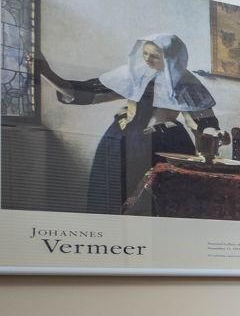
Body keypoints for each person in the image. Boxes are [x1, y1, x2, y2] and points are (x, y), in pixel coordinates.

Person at [36, 35, 219, 214]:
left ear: (171, 58)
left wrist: (214, 133)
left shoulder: (186, 83)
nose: (148, 60)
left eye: (155, 56)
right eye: (145, 54)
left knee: (158, 203)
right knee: (110, 197)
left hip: (165, 145)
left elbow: (203, 122)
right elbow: (86, 92)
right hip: (120, 142)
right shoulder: (134, 74)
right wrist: (47, 73)